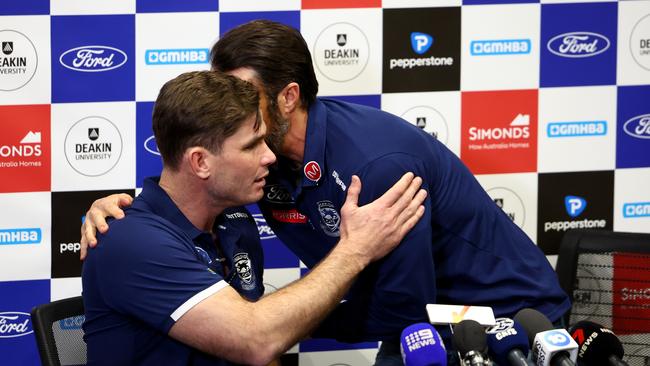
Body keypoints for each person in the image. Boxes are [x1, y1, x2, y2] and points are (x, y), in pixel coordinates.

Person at [81, 20, 571, 365]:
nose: (225, 111)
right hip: (420, 325)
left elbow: (402, 306)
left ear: (287, 97)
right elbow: (189, 173)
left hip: (504, 322)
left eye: (241, 100)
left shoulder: (377, 165)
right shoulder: (248, 176)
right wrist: (116, 212)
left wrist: (292, 319)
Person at [81, 70, 427, 366]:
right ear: (201, 162)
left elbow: (260, 354)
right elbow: (255, 339)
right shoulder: (130, 241)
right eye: (252, 145)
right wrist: (356, 250)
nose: (269, 156)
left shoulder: (235, 222)